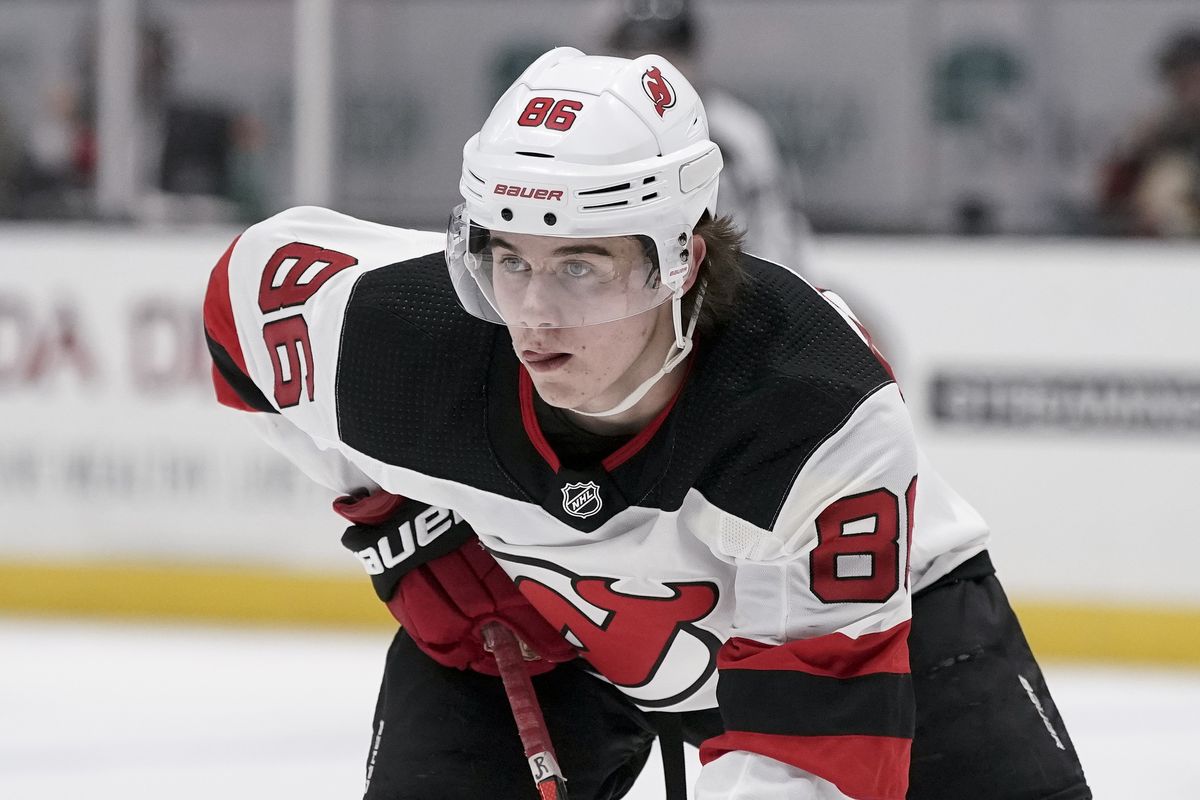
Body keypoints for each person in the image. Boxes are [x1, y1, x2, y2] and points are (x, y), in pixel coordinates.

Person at [203, 47, 1090, 800]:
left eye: (581, 266)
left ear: (682, 260)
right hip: (544, 628)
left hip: (887, 633)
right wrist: (396, 520)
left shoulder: (812, 413)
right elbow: (240, 315)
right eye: (508, 261)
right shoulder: (403, 335)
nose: (533, 318)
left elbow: (808, 758)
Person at [600, 0, 807, 266]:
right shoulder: (600, 131)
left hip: (725, 286)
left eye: (667, 53)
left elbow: (777, 229)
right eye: (638, 53)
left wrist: (768, 297)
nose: (654, 71)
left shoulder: (737, 132)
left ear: (692, 55)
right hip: (629, 283)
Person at [1098, 27, 1200, 236]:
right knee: (1169, 177)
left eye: (1191, 75)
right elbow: (1112, 191)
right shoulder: (1161, 122)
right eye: (1178, 76)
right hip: (1171, 238)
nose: (1184, 85)